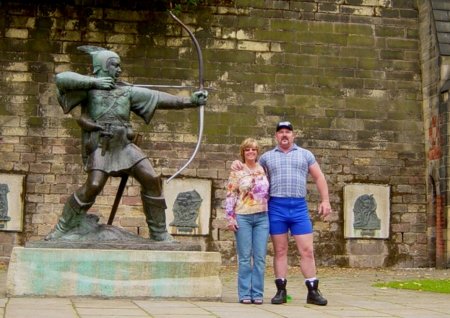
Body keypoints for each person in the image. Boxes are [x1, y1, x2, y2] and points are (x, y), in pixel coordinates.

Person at [45, 45, 207, 242]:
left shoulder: (127, 91)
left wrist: (190, 101)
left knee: (151, 178)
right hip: (102, 146)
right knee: (93, 186)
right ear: (102, 67)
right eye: (114, 65)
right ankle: (63, 227)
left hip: (125, 146)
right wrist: (94, 82)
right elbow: (60, 79)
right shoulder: (89, 89)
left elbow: (158, 98)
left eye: (119, 66)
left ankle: (159, 233)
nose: (119, 70)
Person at [231, 121, 331, 306]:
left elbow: (319, 176)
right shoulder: (267, 158)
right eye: (281, 132)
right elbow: (251, 169)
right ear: (276, 136)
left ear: (294, 135)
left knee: (307, 250)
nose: (284, 135)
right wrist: (238, 163)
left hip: (299, 207)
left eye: (288, 132)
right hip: (277, 206)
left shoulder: (305, 154)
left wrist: (325, 200)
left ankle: (313, 290)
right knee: (280, 250)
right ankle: (281, 291)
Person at [225, 138, 270, 304]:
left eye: (253, 149)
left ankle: (257, 293)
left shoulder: (264, 169)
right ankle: (244, 293)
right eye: (247, 150)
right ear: (242, 152)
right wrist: (230, 217)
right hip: (243, 215)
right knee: (244, 258)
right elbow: (231, 194)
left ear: (257, 152)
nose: (250, 152)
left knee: (259, 258)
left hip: (262, 217)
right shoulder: (237, 170)